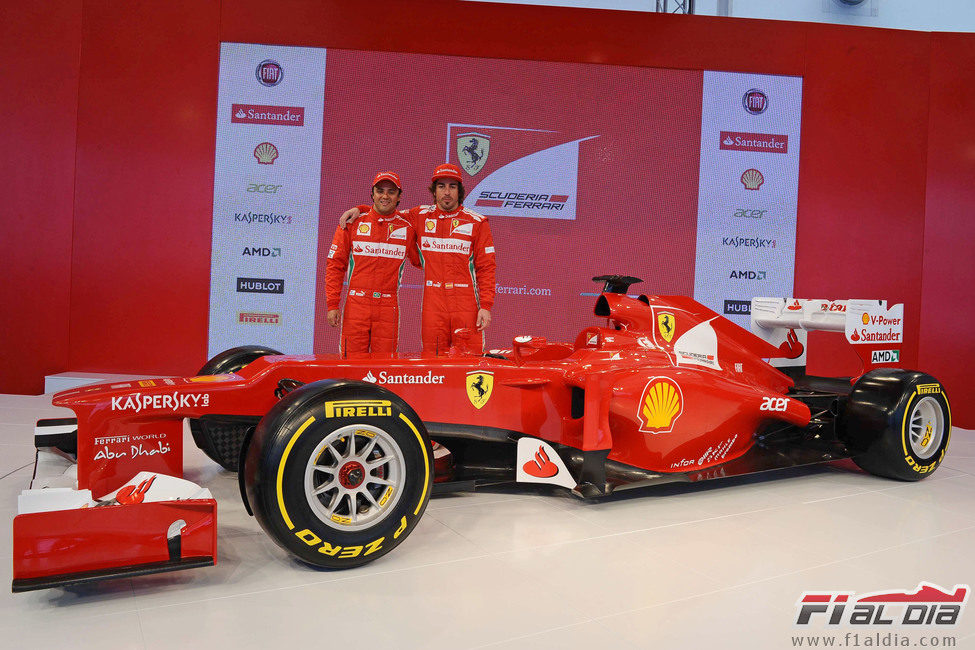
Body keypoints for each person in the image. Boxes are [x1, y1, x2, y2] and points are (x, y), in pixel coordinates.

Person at [340, 163, 496, 356]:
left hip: (466, 305)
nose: (447, 192)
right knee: (433, 363)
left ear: (460, 191)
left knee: (469, 365)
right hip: (434, 304)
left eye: (452, 187)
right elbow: (385, 212)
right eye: (441, 186)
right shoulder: (418, 216)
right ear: (434, 190)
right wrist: (361, 208)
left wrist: (486, 306)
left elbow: (486, 267)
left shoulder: (477, 222)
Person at [325, 171, 418, 358]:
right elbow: (335, 265)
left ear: (399, 196)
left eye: (391, 192)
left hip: (387, 306)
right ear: (372, 193)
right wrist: (332, 304)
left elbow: (421, 261)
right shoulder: (352, 222)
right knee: (351, 367)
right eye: (380, 191)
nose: (385, 196)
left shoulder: (407, 228)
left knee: (385, 368)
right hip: (356, 304)